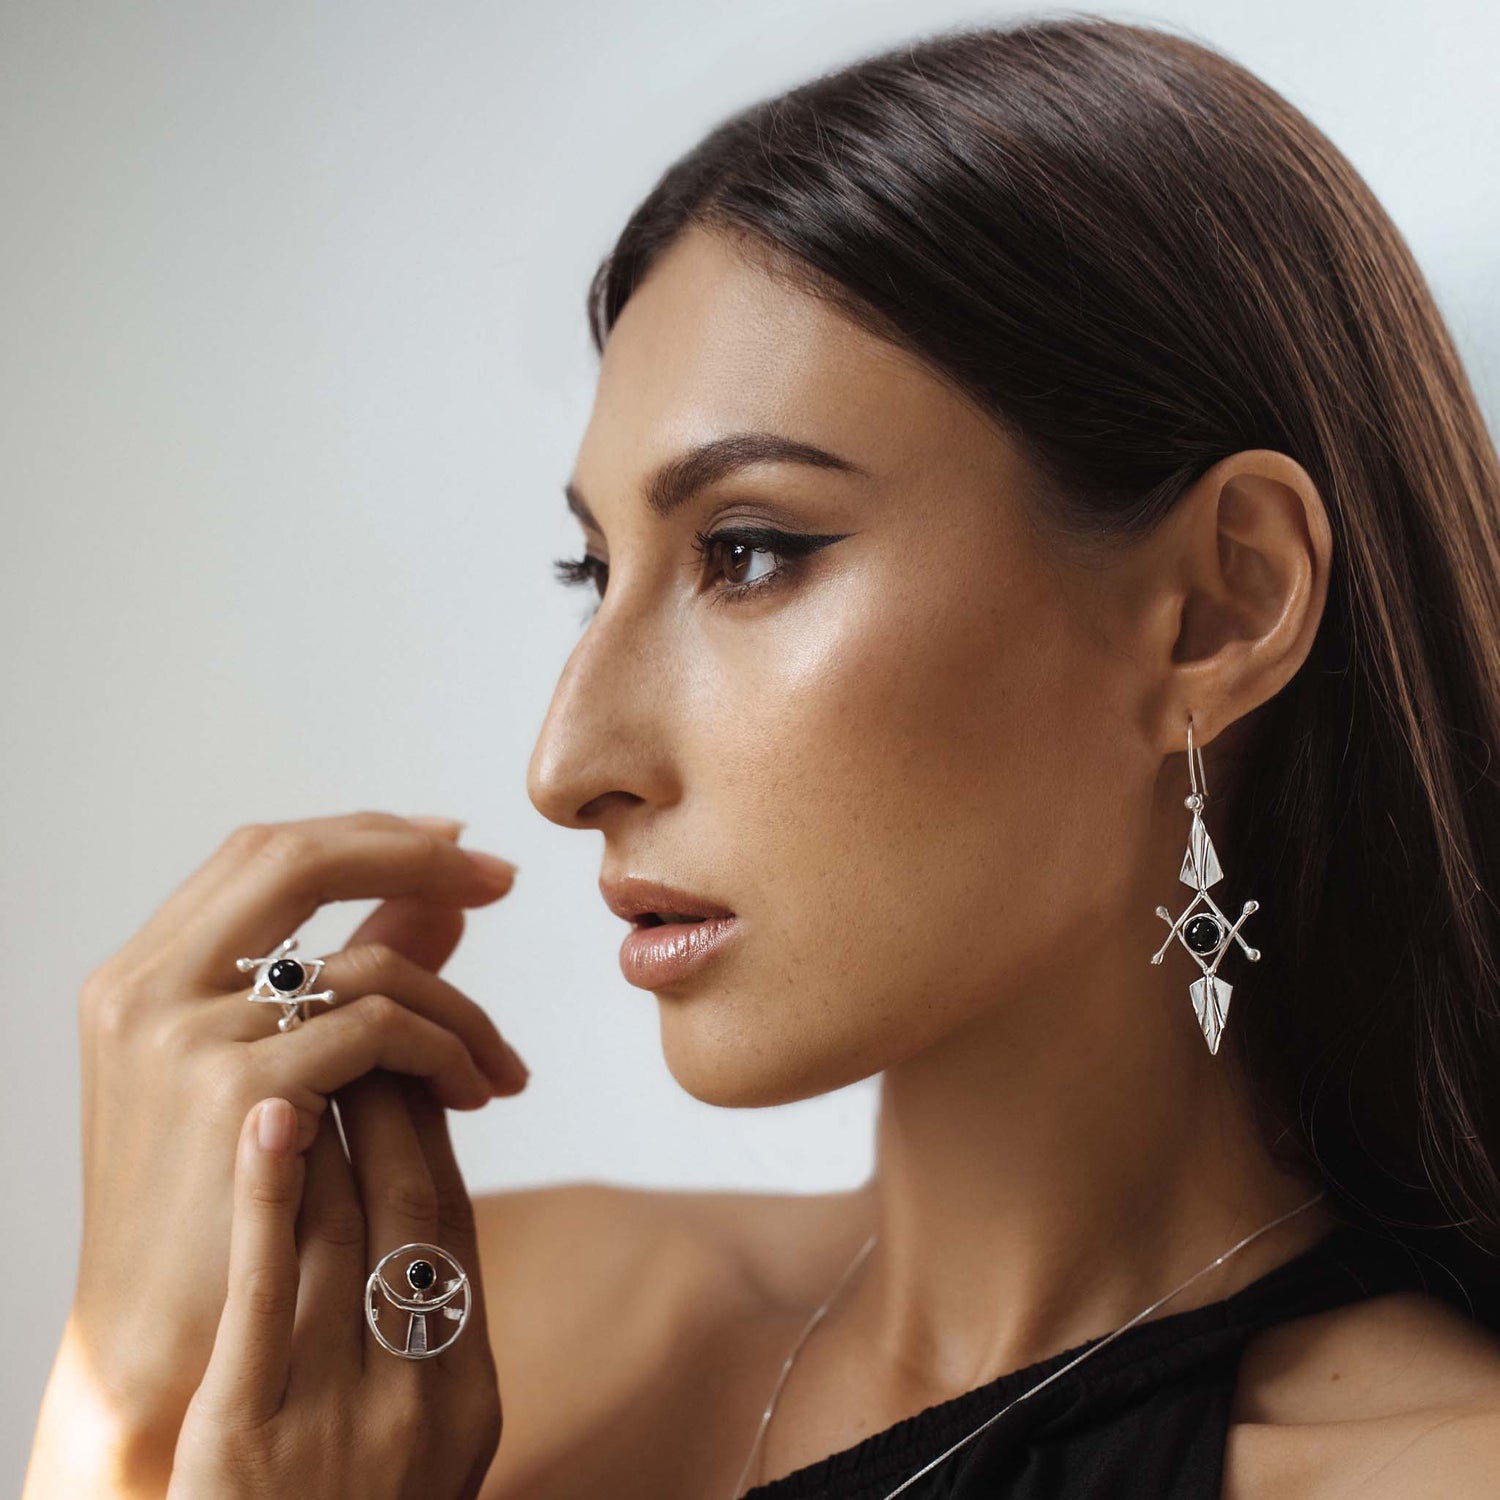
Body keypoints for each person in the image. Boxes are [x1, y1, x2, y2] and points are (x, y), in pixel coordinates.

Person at [23, 15, 1500, 1498]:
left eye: (748, 551)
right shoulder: (446, 1336)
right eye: (591, 572)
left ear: (1217, 602)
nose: (566, 762)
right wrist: (134, 1398)